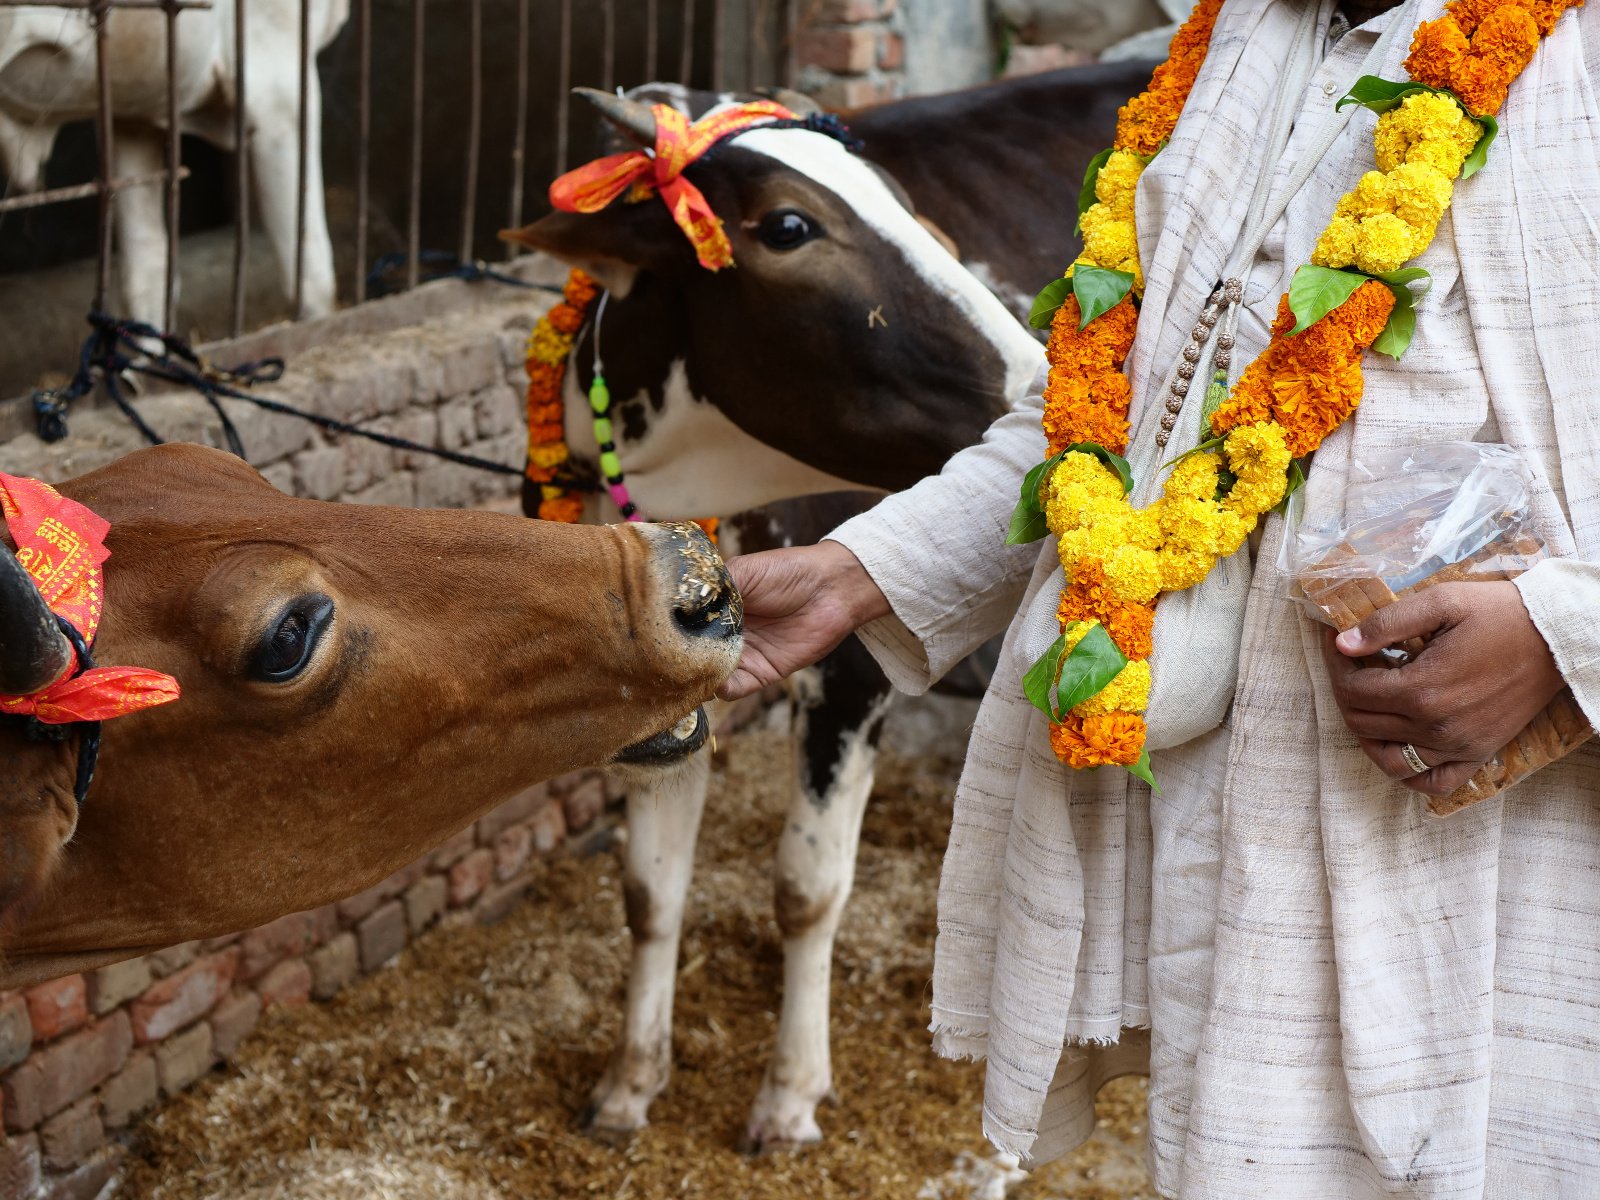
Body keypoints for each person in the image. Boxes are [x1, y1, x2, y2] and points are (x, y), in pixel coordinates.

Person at [715, 0, 1600, 1194]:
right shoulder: (1235, 44)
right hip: (1237, 867)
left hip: (1519, 889)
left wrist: (1562, 639)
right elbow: (1100, 417)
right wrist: (858, 571)